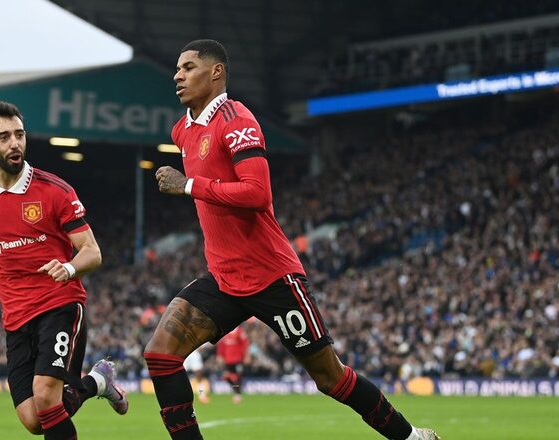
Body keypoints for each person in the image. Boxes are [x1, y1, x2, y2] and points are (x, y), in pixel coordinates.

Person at [145, 39, 440, 440]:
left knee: (330, 378)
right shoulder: (182, 130)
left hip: (271, 276)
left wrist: (188, 186)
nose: (178, 75)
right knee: (161, 355)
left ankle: (411, 437)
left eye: (189, 67)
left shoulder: (237, 119)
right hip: (224, 277)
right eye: (177, 68)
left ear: (216, 72)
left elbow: (257, 194)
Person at [0, 100, 128, 439]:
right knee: (34, 420)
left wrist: (68, 268)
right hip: (16, 317)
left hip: (59, 303)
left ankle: (95, 382)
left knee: (48, 398)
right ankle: (98, 382)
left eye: (19, 135)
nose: (15, 143)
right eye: (3, 137)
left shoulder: (55, 191)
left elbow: (92, 252)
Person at [216, 325, 249, 404]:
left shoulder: (239, 331)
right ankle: (237, 393)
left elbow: (245, 343)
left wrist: (247, 355)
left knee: (237, 376)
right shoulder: (224, 332)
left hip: (238, 359)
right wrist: (219, 355)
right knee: (227, 376)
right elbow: (221, 346)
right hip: (227, 360)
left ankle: (238, 394)